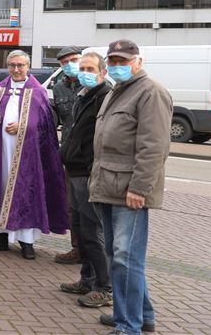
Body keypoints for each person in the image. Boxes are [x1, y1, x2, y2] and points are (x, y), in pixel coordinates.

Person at [90, 40, 171, 335]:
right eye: (112, 61)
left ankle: (128, 326)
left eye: (123, 61)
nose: (117, 66)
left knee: (126, 258)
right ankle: (141, 316)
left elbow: (154, 147)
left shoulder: (151, 92)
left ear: (138, 61)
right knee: (120, 257)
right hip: (108, 186)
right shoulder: (117, 91)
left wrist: (140, 188)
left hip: (129, 192)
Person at [0, 50, 68, 260]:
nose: (16, 70)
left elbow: (46, 125)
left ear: (27, 67)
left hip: (27, 155)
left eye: (20, 65)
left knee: (25, 192)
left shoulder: (37, 92)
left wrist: (24, 126)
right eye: (12, 65)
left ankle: (26, 241)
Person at [58, 52, 113, 309]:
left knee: (93, 233)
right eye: (82, 68)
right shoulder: (84, 95)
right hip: (75, 169)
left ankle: (105, 287)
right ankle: (87, 279)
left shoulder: (105, 97)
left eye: (90, 68)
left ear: (102, 72)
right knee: (81, 229)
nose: (84, 72)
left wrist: (93, 169)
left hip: (89, 173)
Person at [54, 45, 85, 265]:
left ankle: (94, 252)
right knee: (72, 205)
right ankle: (77, 249)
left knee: (90, 207)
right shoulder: (58, 87)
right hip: (69, 153)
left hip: (91, 155)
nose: (70, 64)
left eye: (73, 59)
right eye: (65, 62)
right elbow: (57, 118)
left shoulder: (96, 84)